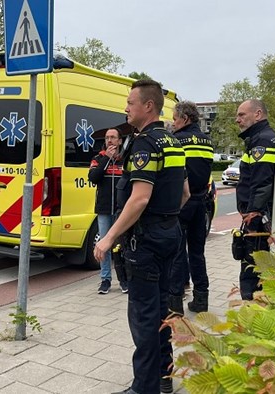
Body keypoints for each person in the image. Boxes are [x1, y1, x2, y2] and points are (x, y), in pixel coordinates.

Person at [94, 79, 189, 394]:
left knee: (144, 317)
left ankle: (144, 388)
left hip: (146, 242)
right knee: (163, 310)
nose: (126, 108)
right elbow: (185, 193)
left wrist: (108, 239)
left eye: (130, 103)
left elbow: (139, 198)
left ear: (148, 106)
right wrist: (165, 220)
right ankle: (164, 378)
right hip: (170, 234)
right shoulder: (173, 141)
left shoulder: (145, 143)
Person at [167, 101, 214, 315]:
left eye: (175, 118)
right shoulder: (207, 141)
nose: (174, 123)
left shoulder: (176, 140)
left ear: (185, 119)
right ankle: (201, 299)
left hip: (181, 202)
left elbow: (173, 174)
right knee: (197, 253)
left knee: (177, 253)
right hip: (200, 203)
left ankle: (175, 303)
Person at [234, 99, 275, 300]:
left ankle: (253, 315)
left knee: (252, 270)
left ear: (258, 114)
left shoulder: (262, 141)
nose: (237, 120)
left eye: (242, 115)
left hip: (258, 220)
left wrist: (253, 215)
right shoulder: (259, 139)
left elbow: (262, 182)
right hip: (259, 216)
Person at [88, 128, 127, 294]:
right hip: (104, 209)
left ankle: (124, 279)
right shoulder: (98, 159)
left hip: (121, 210)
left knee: (121, 245)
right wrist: (106, 159)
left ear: (119, 141)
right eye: (107, 138)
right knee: (104, 244)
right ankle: (105, 279)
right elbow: (93, 178)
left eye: (113, 137)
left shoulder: (125, 160)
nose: (110, 140)